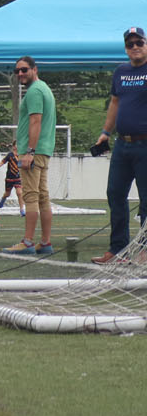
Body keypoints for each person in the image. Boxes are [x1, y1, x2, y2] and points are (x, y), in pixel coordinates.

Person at [92, 26, 147, 264]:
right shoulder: (120, 72)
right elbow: (115, 103)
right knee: (115, 194)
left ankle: (145, 250)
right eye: (130, 44)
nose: (134, 47)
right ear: (125, 48)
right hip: (122, 145)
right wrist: (105, 132)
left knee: (146, 199)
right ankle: (118, 251)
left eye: (139, 43)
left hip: (145, 144)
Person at [4, 56, 56, 255]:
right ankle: (45, 242)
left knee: (31, 196)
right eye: (17, 71)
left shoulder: (34, 91)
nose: (20, 74)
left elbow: (36, 121)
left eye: (24, 70)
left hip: (34, 152)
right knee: (43, 197)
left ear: (35, 69)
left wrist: (29, 152)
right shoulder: (44, 88)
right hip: (44, 150)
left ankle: (27, 242)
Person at [0, 141, 24, 215]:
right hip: (9, 178)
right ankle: (3, 199)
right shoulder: (10, 155)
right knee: (7, 193)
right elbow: (1, 163)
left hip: (18, 178)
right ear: (13, 147)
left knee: (19, 193)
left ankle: (22, 209)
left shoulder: (22, 156)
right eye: (16, 144)